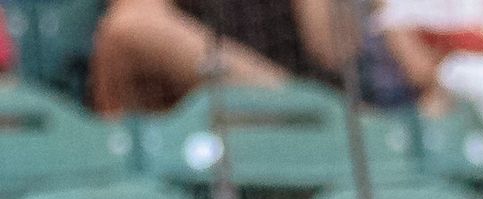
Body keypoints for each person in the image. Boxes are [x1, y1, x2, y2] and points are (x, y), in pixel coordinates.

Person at [90, 0, 348, 112]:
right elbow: (130, 28)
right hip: (204, 143)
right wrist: (289, 101)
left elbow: (335, 49)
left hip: (310, 133)